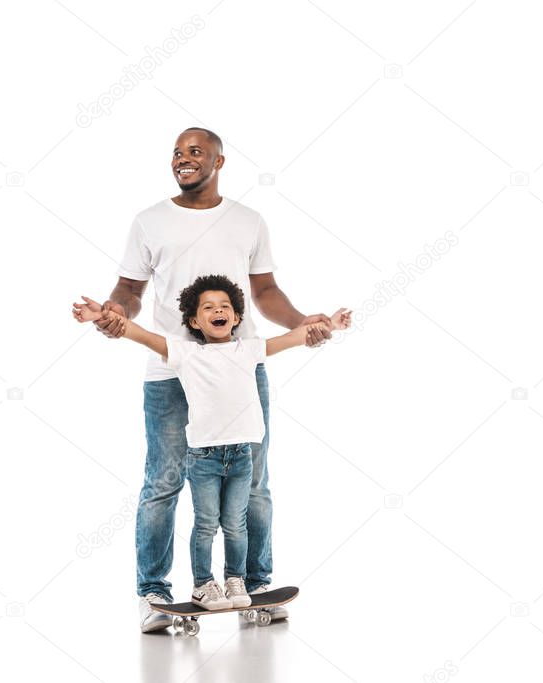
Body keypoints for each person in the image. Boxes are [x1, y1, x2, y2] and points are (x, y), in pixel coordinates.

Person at [85, 127, 339, 631]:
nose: (183, 158)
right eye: (176, 152)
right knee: (163, 481)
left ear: (219, 161)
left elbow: (264, 290)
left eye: (195, 151)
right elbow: (130, 288)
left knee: (255, 481)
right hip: (170, 374)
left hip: (240, 371)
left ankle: (256, 585)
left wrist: (301, 324)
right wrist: (117, 311)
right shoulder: (149, 221)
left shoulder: (247, 221)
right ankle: (153, 593)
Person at [72, 275, 350, 610]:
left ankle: (236, 579)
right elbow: (141, 334)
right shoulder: (184, 353)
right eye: (208, 308)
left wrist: (330, 324)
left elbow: (294, 337)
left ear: (236, 318)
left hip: (241, 455)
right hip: (202, 458)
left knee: (235, 524)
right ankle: (203, 584)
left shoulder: (249, 349)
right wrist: (102, 316)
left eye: (225, 307)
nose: (218, 311)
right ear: (193, 320)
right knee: (206, 524)